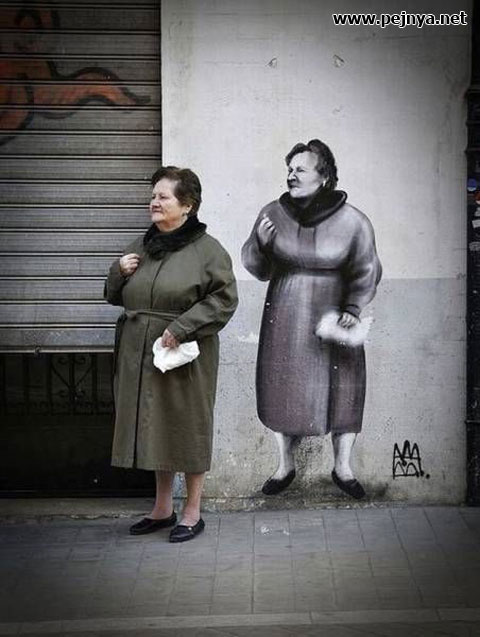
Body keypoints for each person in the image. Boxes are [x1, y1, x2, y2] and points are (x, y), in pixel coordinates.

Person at [241, 139, 382, 499]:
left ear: (324, 177)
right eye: (289, 169)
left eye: (300, 169)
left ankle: (343, 467)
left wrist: (353, 309)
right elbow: (257, 268)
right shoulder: (272, 214)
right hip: (286, 312)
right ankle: (284, 465)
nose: (291, 175)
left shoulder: (353, 220)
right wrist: (260, 244)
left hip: (336, 315)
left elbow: (366, 268)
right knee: (281, 387)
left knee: (345, 390)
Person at [105, 166, 238, 541]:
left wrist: (181, 328)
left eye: (163, 196)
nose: (154, 202)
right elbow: (113, 296)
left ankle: (193, 512)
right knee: (156, 428)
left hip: (184, 355)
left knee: (188, 428)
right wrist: (118, 272)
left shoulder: (208, 251)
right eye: (153, 196)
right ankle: (162, 509)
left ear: (187, 205)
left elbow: (224, 300)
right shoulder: (141, 245)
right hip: (142, 354)